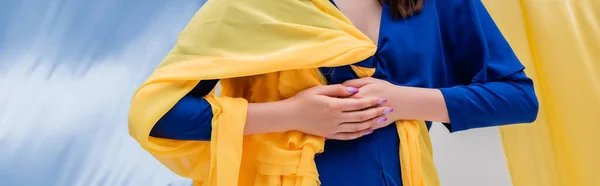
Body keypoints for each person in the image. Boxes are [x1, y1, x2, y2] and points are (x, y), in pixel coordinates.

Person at [148, 0, 539, 185]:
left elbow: (518, 97)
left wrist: (401, 101)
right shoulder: (249, 6)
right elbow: (160, 115)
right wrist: (292, 114)